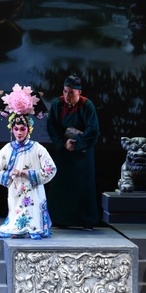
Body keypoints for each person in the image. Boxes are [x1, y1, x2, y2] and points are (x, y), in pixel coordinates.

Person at [0, 85, 56, 239]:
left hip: (33, 190)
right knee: (16, 222)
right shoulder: (8, 149)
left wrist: (28, 174)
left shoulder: (37, 148)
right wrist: (9, 175)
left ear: (29, 129)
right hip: (15, 191)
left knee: (34, 225)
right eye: (16, 129)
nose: (19, 132)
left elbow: (51, 169)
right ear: (12, 129)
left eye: (23, 129)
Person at [45, 74, 101, 230]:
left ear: (79, 92)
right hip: (64, 149)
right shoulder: (57, 104)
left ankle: (86, 220)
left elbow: (93, 129)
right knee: (61, 184)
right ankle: (60, 219)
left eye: (71, 92)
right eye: (65, 91)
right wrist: (64, 143)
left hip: (83, 151)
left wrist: (76, 144)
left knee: (84, 185)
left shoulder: (87, 105)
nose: (67, 95)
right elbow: (52, 126)